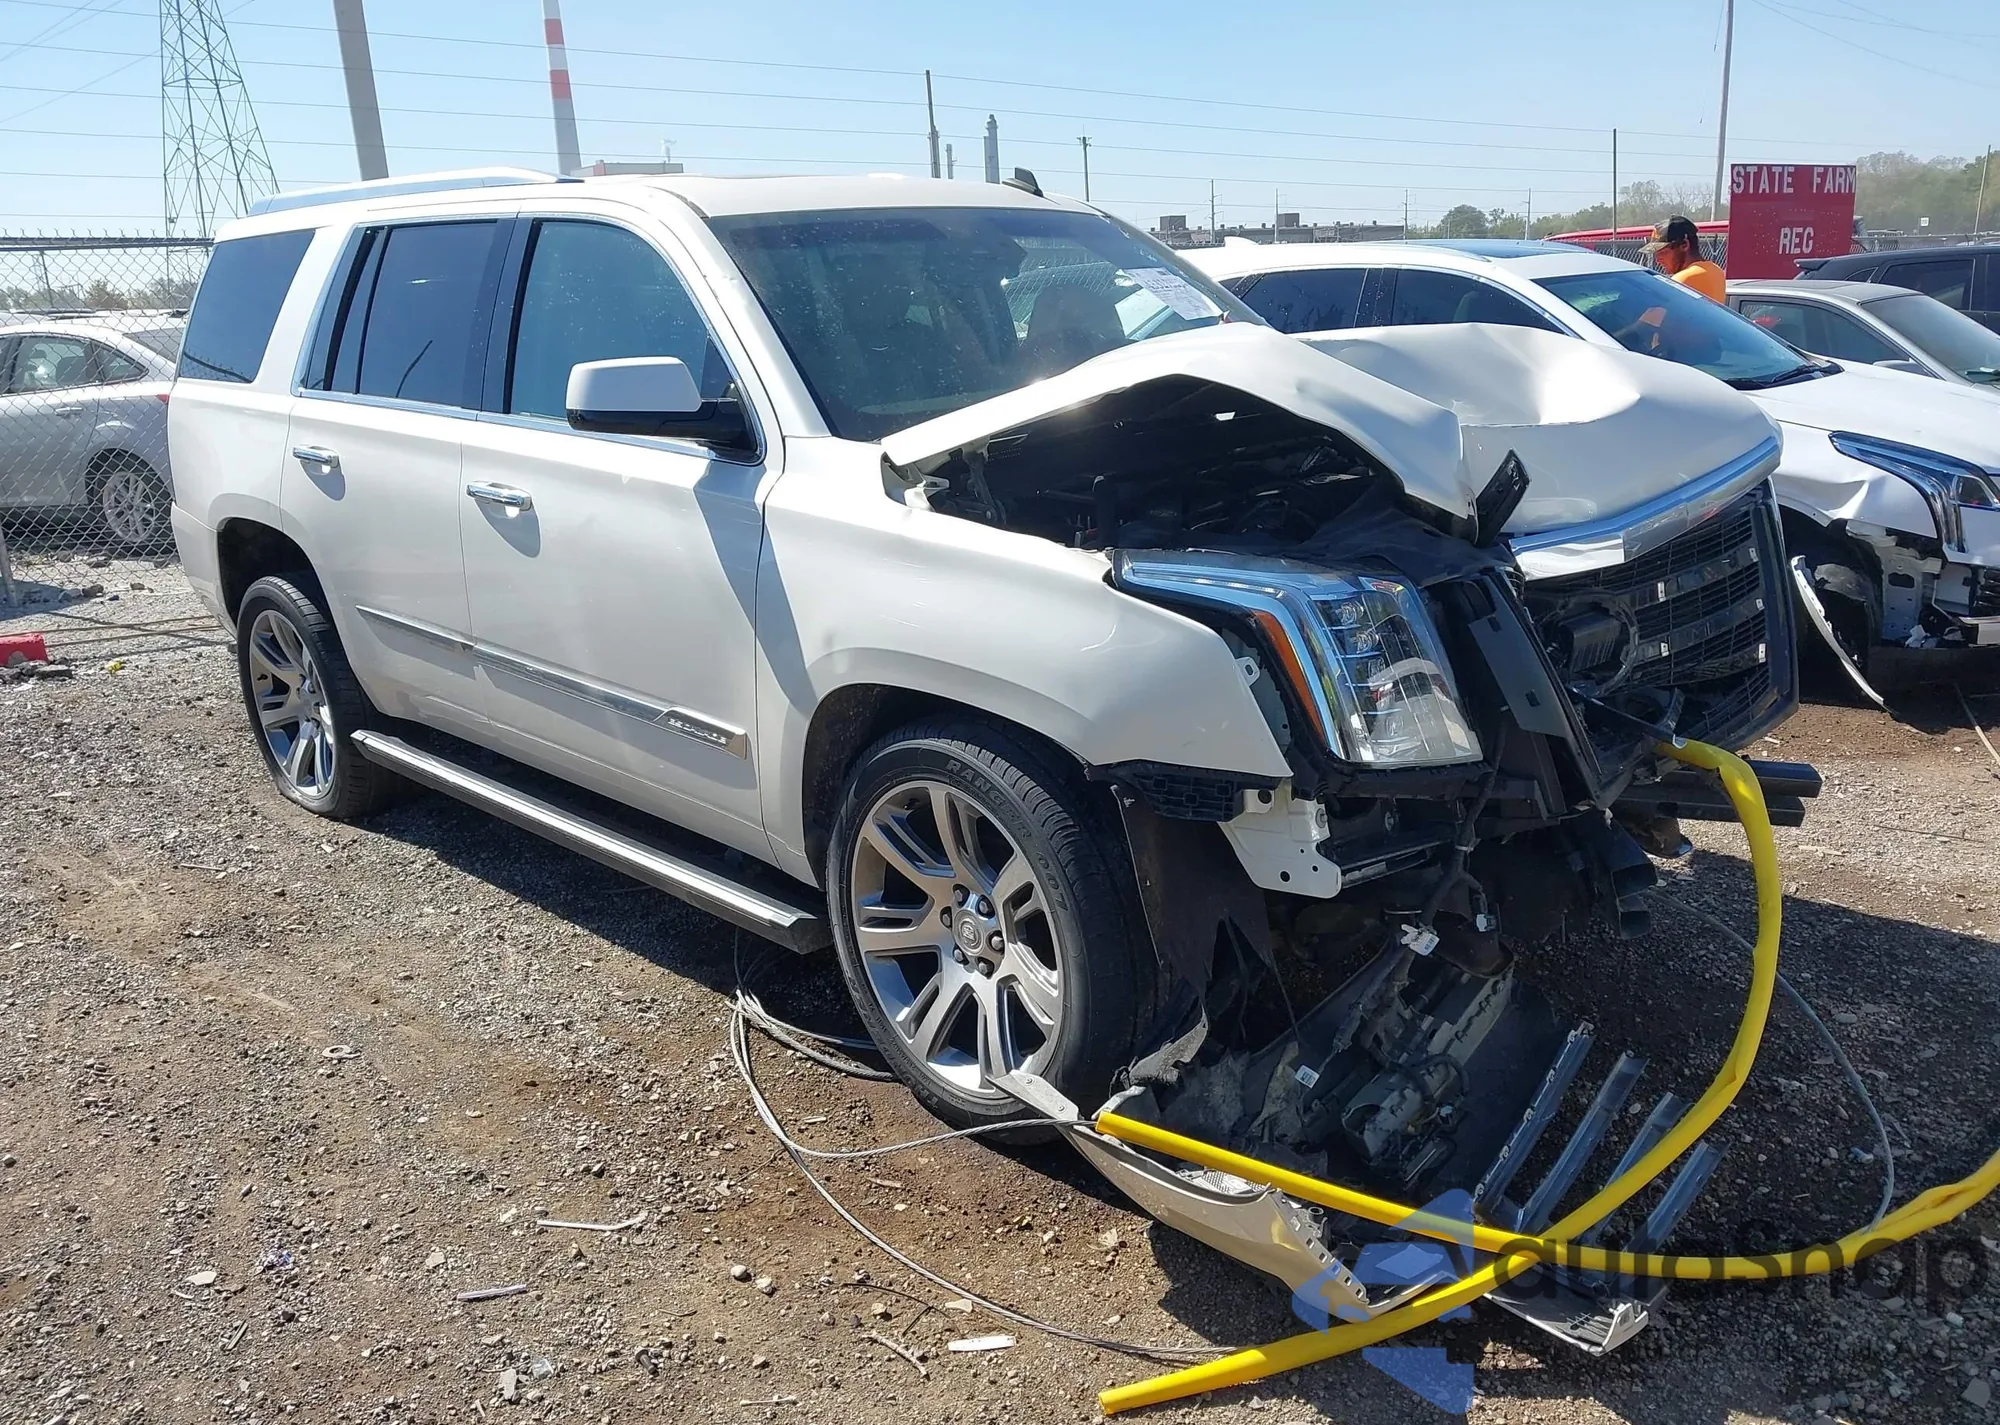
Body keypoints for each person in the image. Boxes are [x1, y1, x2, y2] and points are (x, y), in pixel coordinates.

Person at [1640, 215, 1726, 302]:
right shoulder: (1716, 270)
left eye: (1663, 252)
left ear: (1684, 245)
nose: (1658, 260)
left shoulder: (1682, 280)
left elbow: (1654, 310)